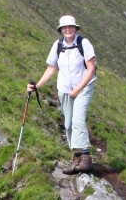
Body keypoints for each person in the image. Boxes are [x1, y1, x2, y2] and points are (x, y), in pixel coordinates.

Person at [28, 15, 96, 173]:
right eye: (64, 28)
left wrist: (78, 89)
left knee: (78, 119)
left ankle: (85, 157)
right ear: (60, 30)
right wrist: (37, 85)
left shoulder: (83, 43)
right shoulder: (58, 45)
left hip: (84, 87)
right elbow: (51, 68)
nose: (67, 29)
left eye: (70, 27)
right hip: (64, 88)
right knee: (68, 124)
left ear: (75, 28)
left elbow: (91, 69)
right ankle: (77, 156)